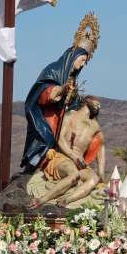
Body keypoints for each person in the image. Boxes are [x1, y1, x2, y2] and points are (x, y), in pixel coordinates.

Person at [21, 12, 100, 173]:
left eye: (86, 62)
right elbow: (42, 93)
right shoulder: (54, 70)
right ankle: (35, 167)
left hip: (64, 118)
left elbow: (73, 104)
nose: (83, 65)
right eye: (82, 60)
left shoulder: (72, 77)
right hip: (46, 117)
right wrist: (62, 90)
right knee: (50, 133)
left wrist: (83, 103)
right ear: (74, 57)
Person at [30, 95, 105, 208]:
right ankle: (42, 200)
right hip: (63, 158)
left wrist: (101, 172)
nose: (98, 106)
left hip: (81, 164)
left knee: (94, 178)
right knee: (73, 174)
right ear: (87, 101)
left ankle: (66, 200)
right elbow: (59, 139)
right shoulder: (70, 116)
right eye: (96, 103)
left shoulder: (95, 126)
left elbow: (100, 147)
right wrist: (72, 155)